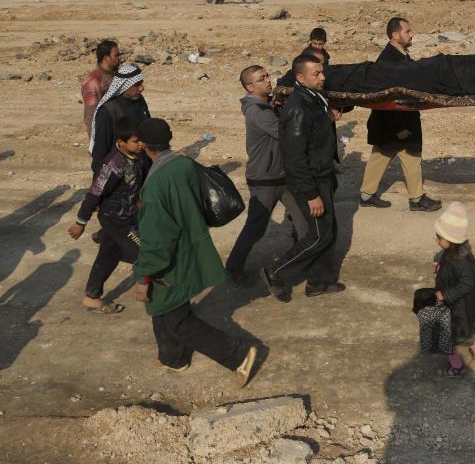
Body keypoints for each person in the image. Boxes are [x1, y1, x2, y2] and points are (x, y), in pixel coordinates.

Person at [131, 118, 258, 387]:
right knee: (161, 307)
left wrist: (143, 278)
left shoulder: (155, 185)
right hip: (192, 246)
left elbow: (156, 241)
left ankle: (239, 355)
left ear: (142, 145)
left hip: (172, 260)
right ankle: (172, 357)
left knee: (176, 319)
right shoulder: (182, 162)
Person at [262, 54, 346, 301]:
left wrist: (328, 116)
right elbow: (295, 158)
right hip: (311, 180)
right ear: (300, 77)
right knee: (319, 234)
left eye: (322, 72)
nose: (323, 77)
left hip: (322, 174)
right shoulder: (298, 109)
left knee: (329, 230)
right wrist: (311, 195)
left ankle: (319, 281)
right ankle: (276, 270)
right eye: (316, 74)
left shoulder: (314, 98)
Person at [225, 65, 309, 287]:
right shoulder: (257, 111)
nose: (268, 81)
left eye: (267, 76)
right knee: (256, 227)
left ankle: (302, 264)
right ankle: (233, 266)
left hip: (282, 176)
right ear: (249, 87)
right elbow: (287, 132)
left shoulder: (267, 104)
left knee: (303, 223)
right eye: (261, 79)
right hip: (265, 179)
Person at [359, 17, 442, 212]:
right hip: (394, 121)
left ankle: (367, 194)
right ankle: (416, 199)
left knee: (382, 154)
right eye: (408, 31)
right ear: (395, 35)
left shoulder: (399, 55)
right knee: (410, 155)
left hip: (389, 122)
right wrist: (399, 128)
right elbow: (387, 99)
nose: (412, 34)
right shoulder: (389, 61)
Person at [68, 117, 147, 314]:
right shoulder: (112, 165)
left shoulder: (138, 157)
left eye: (141, 140)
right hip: (117, 219)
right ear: (121, 142)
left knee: (109, 255)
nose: (141, 145)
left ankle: (92, 296)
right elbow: (95, 193)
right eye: (136, 141)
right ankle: (150, 291)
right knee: (146, 252)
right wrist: (81, 222)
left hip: (127, 215)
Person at [423, 202, 475, 378]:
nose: (436, 239)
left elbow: (467, 284)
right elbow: (443, 256)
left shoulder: (462, 262)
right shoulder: (455, 252)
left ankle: (457, 367)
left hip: (456, 307)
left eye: (439, 237)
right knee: (468, 330)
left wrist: (445, 295)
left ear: (451, 239)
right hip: (459, 306)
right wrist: (438, 261)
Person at [89, 64, 150, 173]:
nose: (142, 88)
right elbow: (101, 150)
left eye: (141, 84)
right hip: (120, 171)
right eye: (137, 85)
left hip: (142, 164)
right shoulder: (107, 111)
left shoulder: (139, 100)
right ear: (124, 86)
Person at [82, 39, 121, 137]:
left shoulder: (117, 74)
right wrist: (95, 144)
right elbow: (91, 115)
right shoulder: (93, 82)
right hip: (106, 133)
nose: (120, 58)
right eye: (116, 55)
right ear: (106, 58)